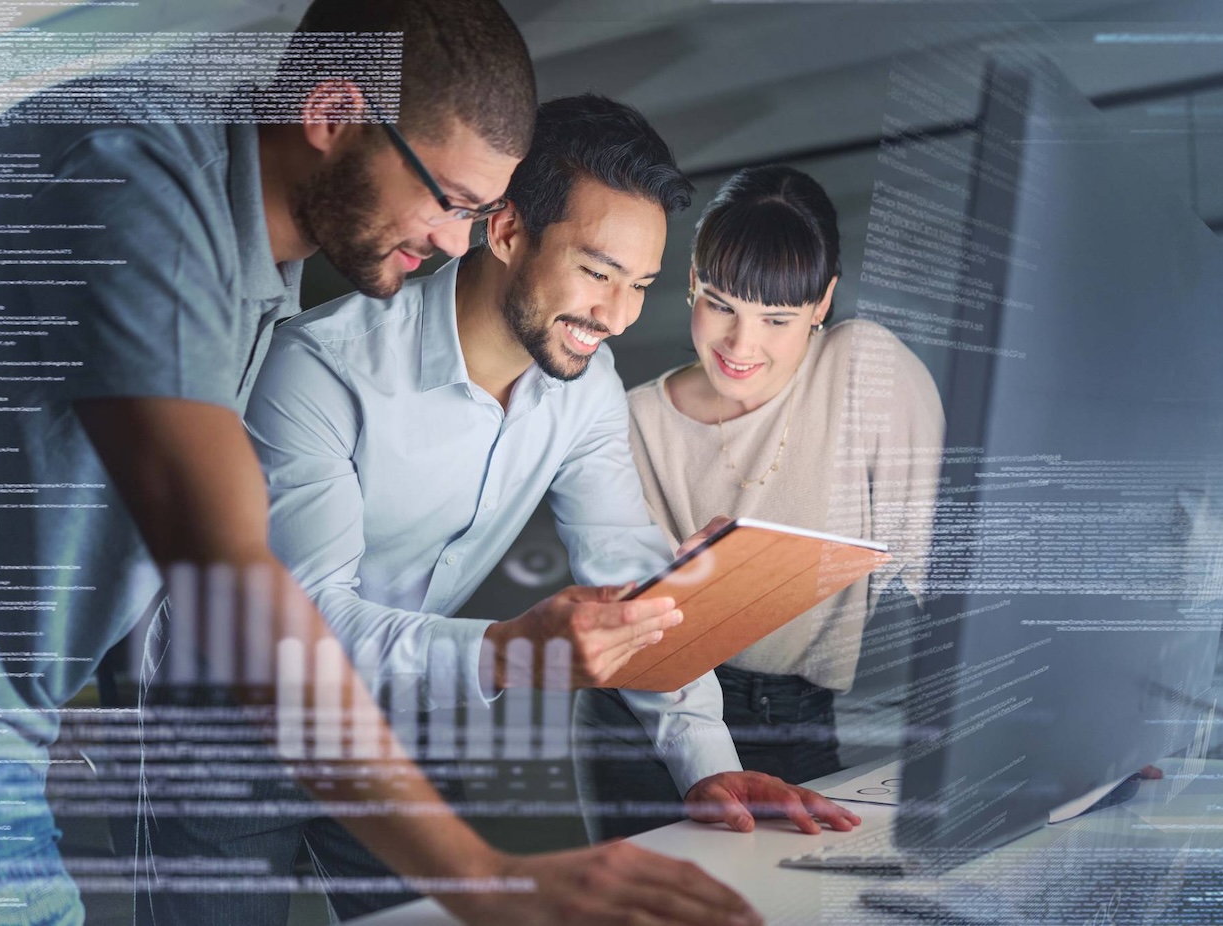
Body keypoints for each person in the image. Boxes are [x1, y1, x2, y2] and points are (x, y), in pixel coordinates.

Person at [0, 2, 763, 925]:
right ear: (335, 112)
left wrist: (715, 768)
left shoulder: (259, 259)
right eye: (454, 202)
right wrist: (488, 877)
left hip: (20, 729)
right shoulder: (135, 170)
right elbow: (234, 579)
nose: (459, 242)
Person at [241, 96, 861, 918]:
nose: (617, 315)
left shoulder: (584, 389)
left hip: (394, 719)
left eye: (640, 285)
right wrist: (503, 651)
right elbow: (308, 620)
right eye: (598, 272)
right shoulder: (317, 372)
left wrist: (708, 764)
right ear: (504, 231)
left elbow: (627, 567)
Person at [574, 164, 947, 840]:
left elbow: (940, 575)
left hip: (796, 712)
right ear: (691, 279)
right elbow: (629, 628)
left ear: (822, 302)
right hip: (648, 725)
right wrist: (690, 594)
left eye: (777, 318)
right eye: (720, 303)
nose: (741, 347)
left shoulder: (865, 370)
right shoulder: (633, 422)